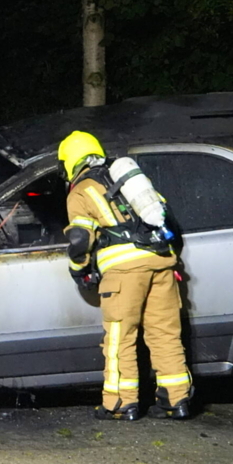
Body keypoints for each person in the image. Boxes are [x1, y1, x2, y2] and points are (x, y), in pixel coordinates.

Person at [58, 130, 192, 421]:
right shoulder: (128, 180)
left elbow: (80, 240)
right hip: (162, 262)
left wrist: (78, 270)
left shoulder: (82, 190)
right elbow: (168, 220)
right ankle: (175, 400)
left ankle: (120, 403)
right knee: (165, 334)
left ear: (69, 162)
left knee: (120, 339)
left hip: (124, 273)